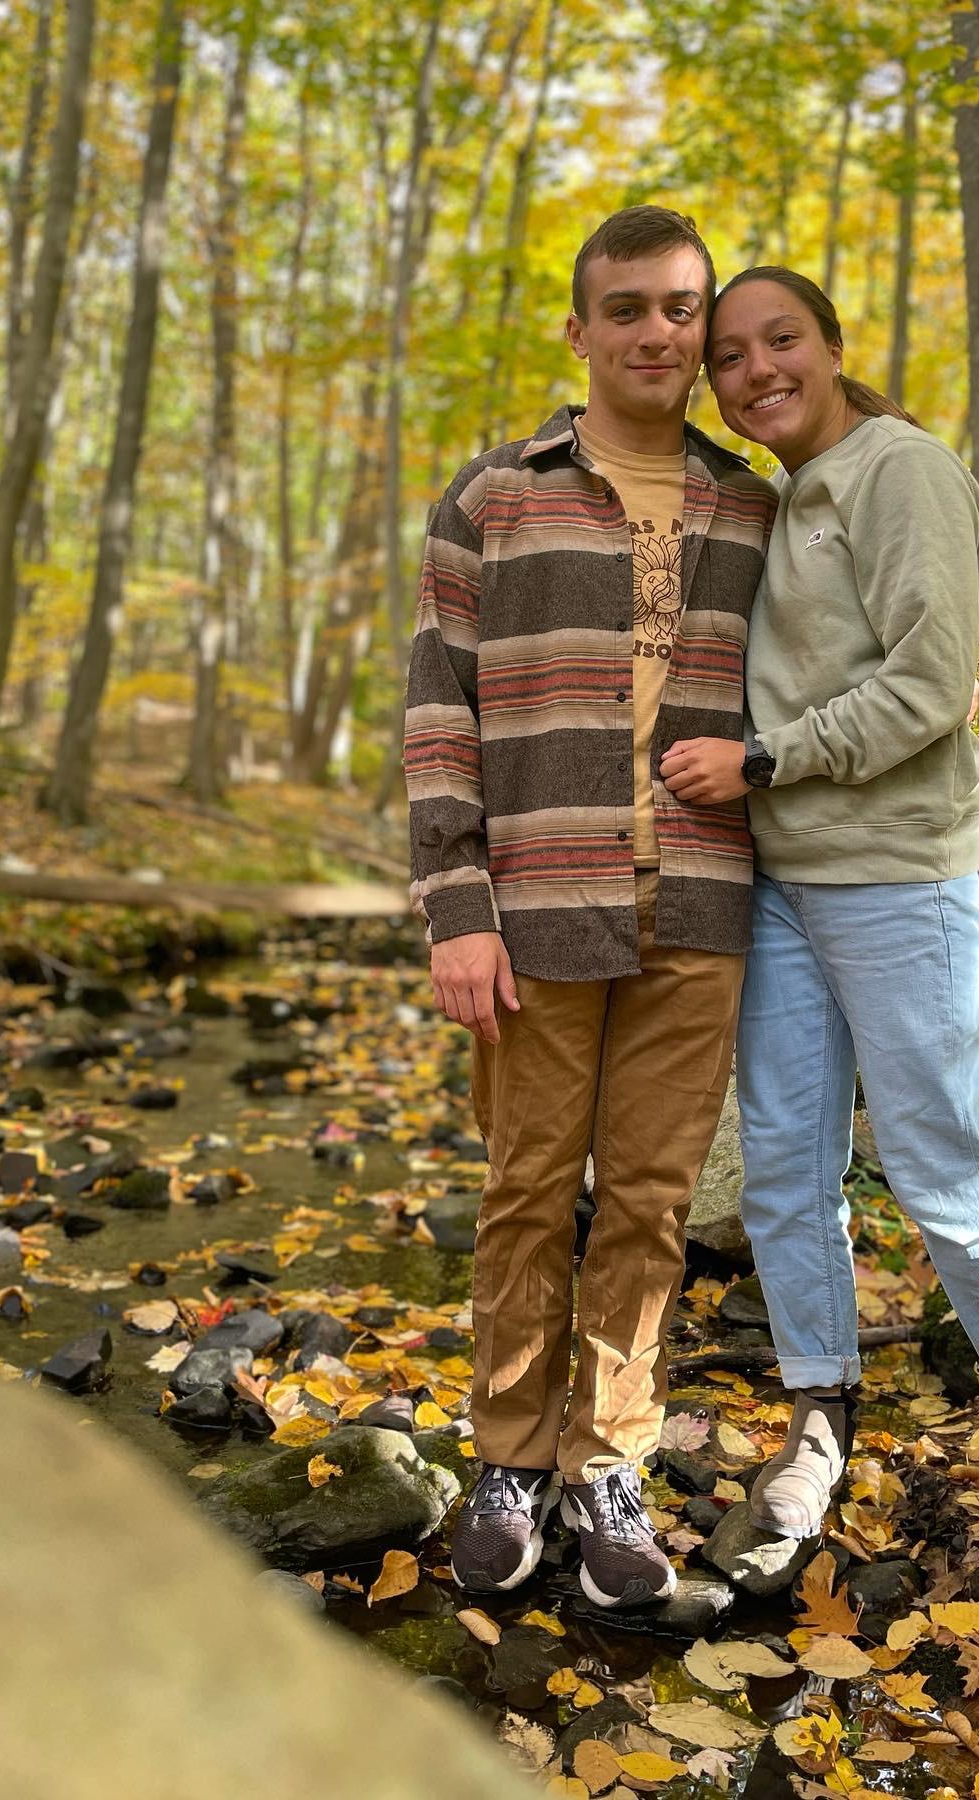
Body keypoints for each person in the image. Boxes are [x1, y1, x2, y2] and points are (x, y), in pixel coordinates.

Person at [659, 266, 979, 1576]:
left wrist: (759, 760)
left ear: (831, 344)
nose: (756, 372)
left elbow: (931, 686)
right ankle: (819, 1416)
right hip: (784, 884)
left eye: (780, 342)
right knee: (789, 1163)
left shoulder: (899, 470)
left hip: (902, 879)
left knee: (935, 1154)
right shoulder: (779, 497)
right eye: (731, 359)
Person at [404, 208, 776, 1607]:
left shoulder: (753, 505)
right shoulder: (492, 498)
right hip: (535, 907)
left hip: (700, 906)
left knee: (650, 1208)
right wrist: (458, 908)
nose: (658, 334)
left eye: (682, 309)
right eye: (628, 308)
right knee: (523, 1192)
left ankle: (605, 1466)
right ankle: (506, 1454)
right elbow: (438, 711)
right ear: (579, 329)